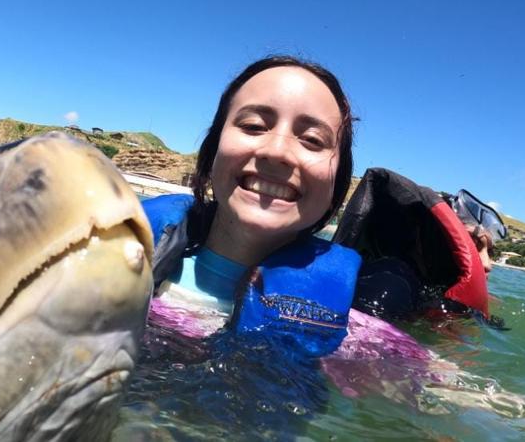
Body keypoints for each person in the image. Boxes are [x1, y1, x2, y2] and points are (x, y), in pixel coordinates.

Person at [142, 55, 363, 357]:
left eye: (312, 140)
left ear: (337, 181)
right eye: (254, 125)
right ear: (213, 149)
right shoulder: (104, 260)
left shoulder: (357, 335)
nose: (277, 151)